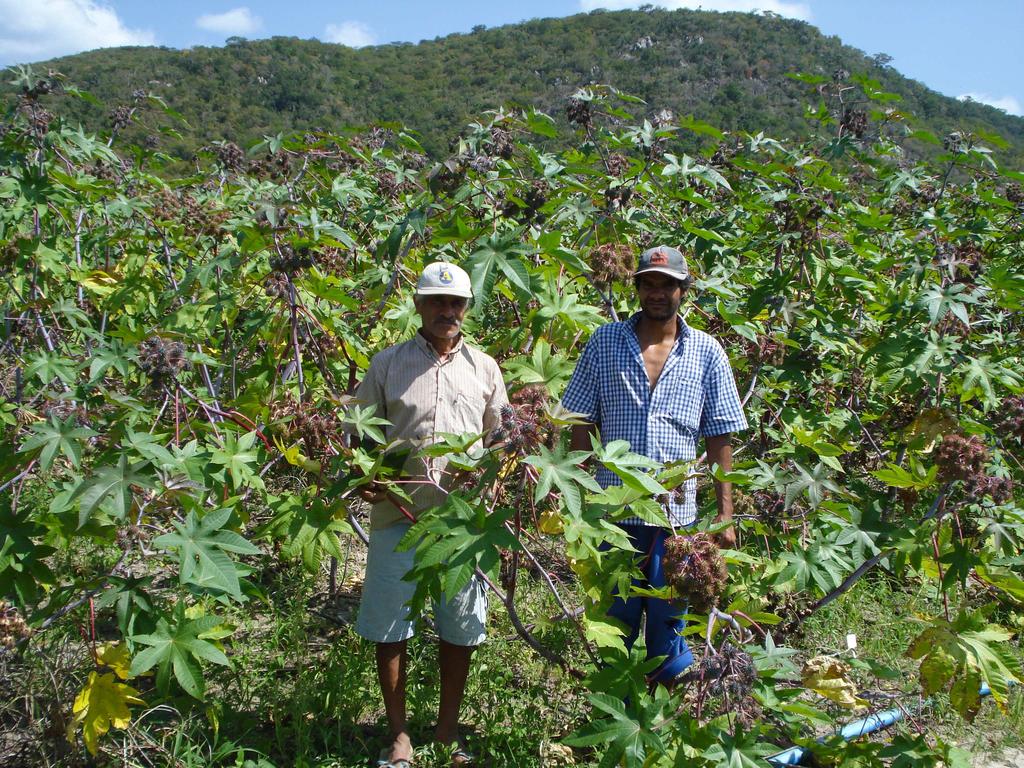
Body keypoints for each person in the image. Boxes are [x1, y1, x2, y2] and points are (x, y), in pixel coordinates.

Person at [561, 245, 747, 685]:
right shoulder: (604, 342)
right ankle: (615, 712)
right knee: (614, 628)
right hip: (612, 515)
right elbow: (580, 423)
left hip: (676, 520)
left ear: (685, 290)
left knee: (670, 627)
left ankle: (663, 718)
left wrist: (724, 516)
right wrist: (582, 499)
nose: (658, 293)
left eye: (668, 285)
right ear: (637, 287)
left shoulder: (707, 351)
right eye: (649, 283)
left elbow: (719, 435)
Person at [350, 261, 508, 768]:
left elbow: (503, 441)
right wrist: (367, 479)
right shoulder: (387, 364)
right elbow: (360, 437)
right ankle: (399, 737)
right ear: (418, 306)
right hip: (398, 518)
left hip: (463, 529)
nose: (447, 310)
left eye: (456, 302)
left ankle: (445, 731)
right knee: (389, 628)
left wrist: (498, 481)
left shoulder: (485, 368)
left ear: (467, 309)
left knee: (459, 629)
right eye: (436, 302)